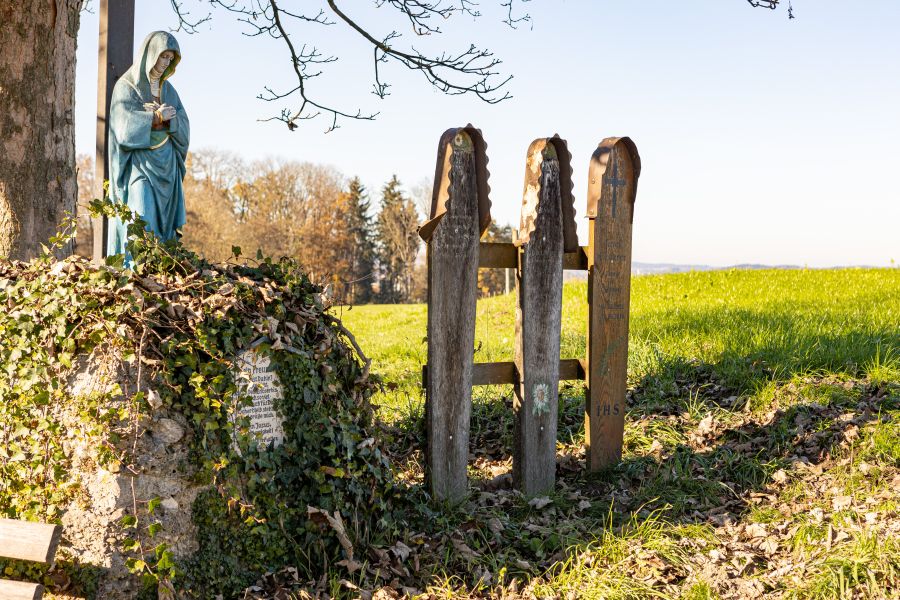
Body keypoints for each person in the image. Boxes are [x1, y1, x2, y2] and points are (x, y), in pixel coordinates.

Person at [106, 31, 190, 263]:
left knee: (164, 233)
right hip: (139, 168)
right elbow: (122, 128)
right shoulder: (127, 87)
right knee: (141, 216)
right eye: (163, 56)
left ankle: (159, 274)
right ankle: (135, 272)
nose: (165, 63)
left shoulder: (170, 92)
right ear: (150, 54)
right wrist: (154, 118)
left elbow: (184, 126)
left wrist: (170, 120)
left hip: (167, 168)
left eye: (170, 59)